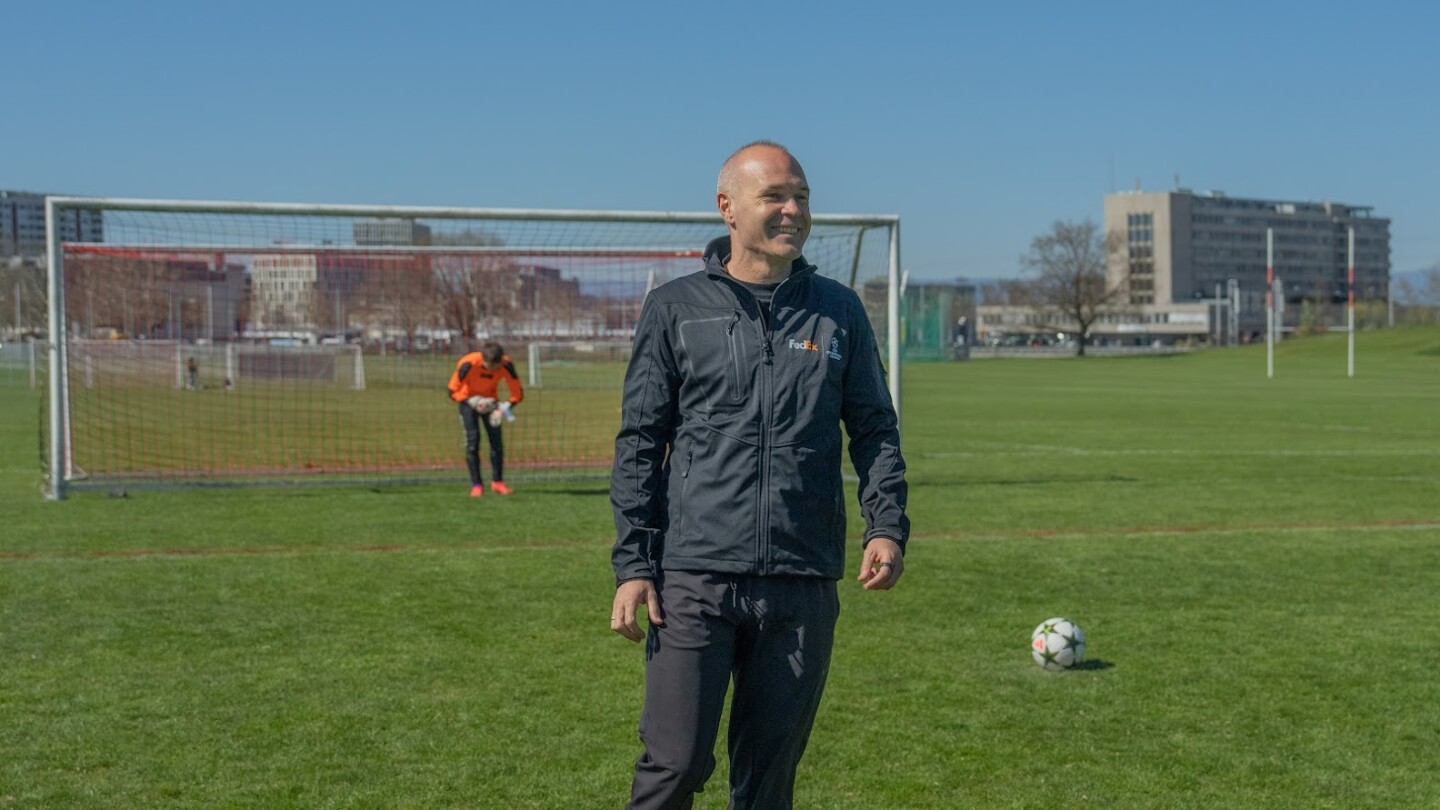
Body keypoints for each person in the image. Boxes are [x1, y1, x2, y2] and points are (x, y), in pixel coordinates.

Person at [609, 141, 909, 809]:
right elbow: (639, 444)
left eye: (800, 196)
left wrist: (885, 526)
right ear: (729, 208)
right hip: (694, 578)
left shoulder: (839, 311)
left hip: (802, 579)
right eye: (775, 196)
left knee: (768, 786)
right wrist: (635, 564)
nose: (793, 210)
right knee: (676, 766)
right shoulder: (677, 309)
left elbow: (874, 430)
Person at [448, 341, 523, 497]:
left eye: (495, 367)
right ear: (482, 359)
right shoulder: (468, 363)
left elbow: (517, 394)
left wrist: (503, 408)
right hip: (468, 402)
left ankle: (498, 482)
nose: (492, 370)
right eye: (488, 366)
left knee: (497, 443)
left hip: (491, 403)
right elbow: (451, 391)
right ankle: (476, 485)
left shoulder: (507, 365)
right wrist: (473, 401)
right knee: (473, 442)